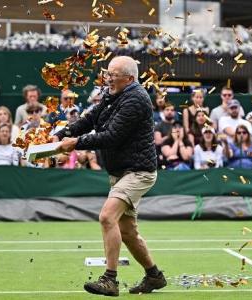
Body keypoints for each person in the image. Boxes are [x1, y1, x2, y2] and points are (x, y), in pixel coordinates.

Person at [53, 56, 166, 296]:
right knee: (128, 232)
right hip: (121, 172)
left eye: (113, 75)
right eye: (108, 74)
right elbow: (91, 119)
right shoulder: (113, 94)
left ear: (130, 78)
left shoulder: (136, 99)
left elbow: (111, 135)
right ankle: (154, 276)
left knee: (106, 217)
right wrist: (61, 134)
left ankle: (110, 279)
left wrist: (75, 143)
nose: (108, 79)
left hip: (138, 172)